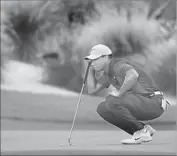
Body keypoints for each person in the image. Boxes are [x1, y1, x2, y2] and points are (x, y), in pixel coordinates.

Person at [84, 44, 168, 144]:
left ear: (106, 57)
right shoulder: (107, 74)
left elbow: (133, 75)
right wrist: (89, 71)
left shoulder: (118, 65)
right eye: (92, 60)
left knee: (112, 99)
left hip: (154, 102)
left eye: (95, 59)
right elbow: (92, 90)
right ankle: (142, 130)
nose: (93, 62)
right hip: (142, 103)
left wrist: (119, 93)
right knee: (102, 108)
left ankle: (142, 132)